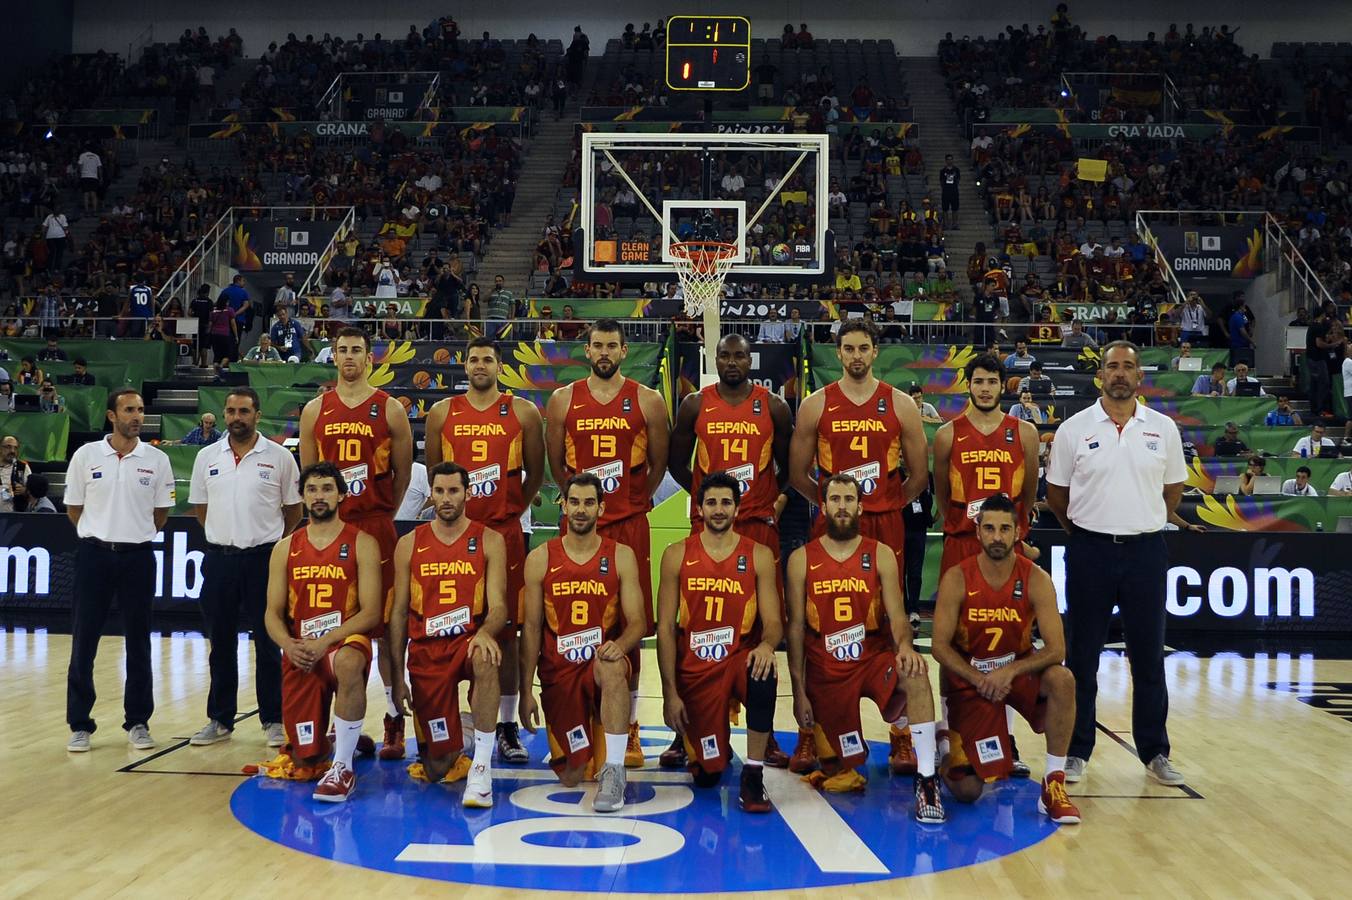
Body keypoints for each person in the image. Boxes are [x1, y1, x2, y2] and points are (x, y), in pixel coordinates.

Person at [1045, 341, 1188, 786]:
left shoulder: (1162, 428)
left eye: (1128, 366)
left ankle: (1154, 751)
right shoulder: (1073, 429)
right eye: (1112, 367)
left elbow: (1172, 493)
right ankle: (1076, 750)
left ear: (1140, 376)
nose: (1120, 373)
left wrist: (1138, 521)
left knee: (1148, 657)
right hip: (1090, 550)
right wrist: (1089, 532)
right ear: (1100, 376)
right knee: (1082, 657)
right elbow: (1057, 496)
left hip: (1146, 551)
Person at [788, 320, 928, 773]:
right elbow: (796, 474)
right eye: (848, 349)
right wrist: (832, 507)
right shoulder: (816, 405)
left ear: (875, 351)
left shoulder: (900, 404)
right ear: (838, 352)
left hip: (886, 523)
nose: (856, 356)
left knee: (891, 622)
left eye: (863, 348)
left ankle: (902, 735)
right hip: (831, 526)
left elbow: (919, 475)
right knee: (818, 623)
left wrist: (885, 504)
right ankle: (811, 733)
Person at [545, 320, 670, 767]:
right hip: (579, 525)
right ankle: (576, 719)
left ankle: (630, 725)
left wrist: (630, 501)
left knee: (630, 628)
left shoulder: (648, 400)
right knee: (573, 620)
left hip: (629, 524)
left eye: (611, 346)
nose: (603, 352)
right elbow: (558, 465)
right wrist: (585, 505)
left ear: (623, 350)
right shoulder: (563, 400)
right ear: (587, 350)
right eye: (596, 345)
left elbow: (658, 465)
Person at [785, 474, 944, 821]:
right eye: (835, 499)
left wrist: (905, 646)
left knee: (916, 673)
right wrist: (799, 692)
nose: (842, 506)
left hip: (872, 659)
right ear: (823, 507)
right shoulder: (801, 559)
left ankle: (927, 778)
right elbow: (795, 629)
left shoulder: (881, 554)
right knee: (840, 770)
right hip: (826, 671)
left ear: (860, 505)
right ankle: (834, 738)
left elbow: (899, 616)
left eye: (848, 499)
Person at [666, 334, 793, 769]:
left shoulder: (773, 406)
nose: (733, 361)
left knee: (761, 631)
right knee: (694, 620)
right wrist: (706, 501)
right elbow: (675, 461)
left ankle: (766, 733)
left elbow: (790, 465)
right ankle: (681, 728)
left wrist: (770, 500)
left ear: (750, 359)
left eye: (740, 355)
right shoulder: (694, 405)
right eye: (726, 355)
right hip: (709, 526)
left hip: (758, 525)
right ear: (714, 359)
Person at [425, 337, 546, 764]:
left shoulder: (522, 411)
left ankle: (508, 726)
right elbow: (438, 475)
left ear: (499, 366)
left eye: (488, 360)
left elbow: (536, 471)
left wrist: (514, 507)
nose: (480, 365)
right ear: (464, 365)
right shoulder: (442, 412)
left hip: (504, 532)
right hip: (454, 536)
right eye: (473, 359)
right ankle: (452, 720)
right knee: (450, 624)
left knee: (507, 629)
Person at [299, 327, 414, 761]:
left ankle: (393, 716)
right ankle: (333, 723)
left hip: (376, 523)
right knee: (330, 620)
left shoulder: (389, 408)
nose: (349, 357)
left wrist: (382, 511)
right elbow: (311, 477)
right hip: (330, 530)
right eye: (343, 350)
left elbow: (402, 473)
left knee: (386, 626)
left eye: (357, 350)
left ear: (370, 357)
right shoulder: (315, 410)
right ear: (333, 356)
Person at [932, 494, 1081, 824]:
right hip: (972, 680)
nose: (997, 536)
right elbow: (940, 647)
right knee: (968, 791)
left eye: (1004, 529)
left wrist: (1009, 672)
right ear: (978, 533)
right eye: (989, 529)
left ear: (1017, 533)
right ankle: (945, 743)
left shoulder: (1037, 579)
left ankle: (1054, 783)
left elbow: (1057, 650)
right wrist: (979, 678)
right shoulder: (957, 577)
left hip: (1016, 674)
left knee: (1062, 679)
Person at [519, 473, 647, 812]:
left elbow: (639, 622)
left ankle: (615, 770)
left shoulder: (620, 555)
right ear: (563, 506)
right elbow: (531, 629)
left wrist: (620, 644)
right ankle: (586, 738)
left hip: (597, 667)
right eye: (574, 501)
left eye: (589, 502)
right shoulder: (540, 559)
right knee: (573, 775)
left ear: (601, 508)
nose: (580, 509)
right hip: (558, 672)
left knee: (614, 666)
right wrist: (524, 692)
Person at [656, 473, 782, 811]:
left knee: (764, 672)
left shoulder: (757, 555)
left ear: (738, 509)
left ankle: (754, 774)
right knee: (708, 774)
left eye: (726, 502)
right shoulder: (676, 555)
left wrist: (767, 645)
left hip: (737, 658)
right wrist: (670, 693)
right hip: (695, 670)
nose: (718, 509)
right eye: (711, 502)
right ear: (699, 509)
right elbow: (666, 628)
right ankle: (708, 742)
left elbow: (773, 622)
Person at [188, 388, 302, 749]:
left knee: (268, 644)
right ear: (223, 414)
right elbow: (201, 508)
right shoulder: (207, 456)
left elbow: (294, 511)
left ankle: (273, 719)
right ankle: (220, 719)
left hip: (264, 560)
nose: (237, 417)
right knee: (219, 643)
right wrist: (225, 537)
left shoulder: (281, 457)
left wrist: (269, 542)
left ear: (257, 414)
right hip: (219, 560)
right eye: (231, 411)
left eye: (244, 411)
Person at [260, 462, 382, 801]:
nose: (319, 496)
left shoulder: (363, 543)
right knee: (305, 760)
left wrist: (327, 640)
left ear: (341, 494)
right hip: (302, 650)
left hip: (345, 642)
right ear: (301, 496)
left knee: (345, 662)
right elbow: (271, 614)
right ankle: (346, 737)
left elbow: (371, 612)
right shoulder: (286, 547)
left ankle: (343, 766)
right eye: (312, 489)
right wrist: (288, 644)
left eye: (327, 488)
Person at [388, 462, 508, 806]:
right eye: (439, 491)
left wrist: (485, 632)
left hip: (468, 641)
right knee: (438, 768)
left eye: (454, 491)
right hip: (427, 651)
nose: (446, 498)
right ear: (431, 494)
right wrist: (397, 678)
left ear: (468, 493)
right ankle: (466, 729)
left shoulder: (489, 539)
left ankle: (482, 769)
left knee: (486, 656)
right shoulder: (409, 544)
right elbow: (397, 613)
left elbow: (499, 606)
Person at [64, 389, 176, 753]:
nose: (137, 416)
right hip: (94, 555)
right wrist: (102, 534)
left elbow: (161, 515)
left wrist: (131, 535)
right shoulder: (85, 455)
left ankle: (139, 721)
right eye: (129, 409)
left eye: (141, 410)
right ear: (112, 415)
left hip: (138, 557)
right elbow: (74, 508)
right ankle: (80, 724)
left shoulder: (157, 459)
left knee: (140, 642)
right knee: (84, 641)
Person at [0, 435, 33, 513]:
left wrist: (25, 491)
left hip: (14, 517)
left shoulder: (23, 466)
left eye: (15, 448)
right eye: (8, 447)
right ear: (0, 448)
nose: (12, 451)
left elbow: (34, 492)